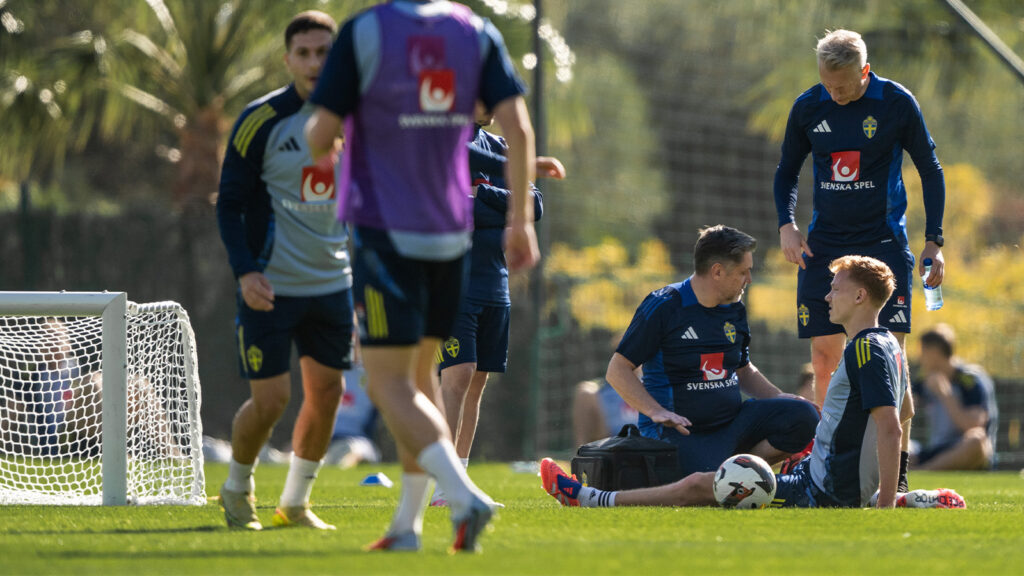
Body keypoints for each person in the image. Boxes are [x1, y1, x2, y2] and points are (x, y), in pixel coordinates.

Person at [305, 0, 539, 553]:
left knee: (387, 384)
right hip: (449, 239)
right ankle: (406, 527)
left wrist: (331, 136)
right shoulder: (475, 32)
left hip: (387, 232)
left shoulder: (365, 31)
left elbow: (319, 133)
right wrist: (521, 223)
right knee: (418, 385)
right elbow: (520, 129)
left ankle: (462, 495)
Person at [542, 256, 964, 509]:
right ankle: (912, 499)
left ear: (859, 298)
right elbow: (905, 412)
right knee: (732, 471)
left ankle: (588, 498)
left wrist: (883, 504)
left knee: (699, 486)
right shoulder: (889, 344)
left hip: (822, 491)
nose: (827, 297)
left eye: (835, 289)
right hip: (828, 481)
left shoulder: (864, 350)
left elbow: (891, 426)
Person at [773, 29, 946, 490]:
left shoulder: (895, 103)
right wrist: (786, 224)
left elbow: (929, 167)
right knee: (825, 357)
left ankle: (898, 475)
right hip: (824, 245)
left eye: (844, 86)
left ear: (864, 71)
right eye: (829, 85)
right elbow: (787, 170)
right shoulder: (809, 107)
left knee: (892, 355)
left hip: (883, 242)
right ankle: (830, 464)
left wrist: (935, 240)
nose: (836, 94)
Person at [215, 11, 353, 531]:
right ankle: (236, 487)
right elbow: (229, 204)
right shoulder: (261, 120)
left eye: (324, 52)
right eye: (305, 53)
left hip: (333, 285)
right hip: (271, 287)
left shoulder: (357, 119)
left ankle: (294, 503)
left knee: (327, 394)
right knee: (271, 400)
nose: (315, 62)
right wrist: (246, 273)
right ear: (288, 59)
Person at [604, 225, 819, 477]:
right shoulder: (664, 305)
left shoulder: (734, 308)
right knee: (705, 477)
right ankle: (727, 472)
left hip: (733, 424)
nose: (748, 279)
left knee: (803, 416)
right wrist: (655, 411)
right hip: (681, 432)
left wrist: (779, 396)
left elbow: (743, 369)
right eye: (743, 272)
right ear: (717, 271)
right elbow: (617, 370)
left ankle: (742, 471)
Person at [430, 102, 562, 506]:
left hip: (494, 283)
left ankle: (460, 480)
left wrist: (481, 193)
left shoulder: (502, 147)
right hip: (450, 283)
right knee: (457, 375)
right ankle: (441, 483)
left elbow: (533, 205)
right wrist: (503, 203)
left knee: (475, 383)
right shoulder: (438, 141)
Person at [912, 324, 998, 470]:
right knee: (902, 446)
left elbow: (974, 425)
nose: (920, 358)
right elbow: (903, 411)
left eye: (923, 351)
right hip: (936, 449)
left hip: (963, 448)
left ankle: (924, 472)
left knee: (976, 440)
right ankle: (926, 469)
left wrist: (946, 395)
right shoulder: (924, 379)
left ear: (934, 352)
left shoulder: (970, 380)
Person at [323, 365, 382, 469]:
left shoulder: (373, 375)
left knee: (358, 452)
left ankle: (343, 465)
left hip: (358, 440)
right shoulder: (329, 370)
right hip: (324, 439)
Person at [573, 378, 639, 448]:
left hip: (644, 446)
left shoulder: (648, 385)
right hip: (613, 444)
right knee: (585, 394)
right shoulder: (602, 390)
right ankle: (582, 454)